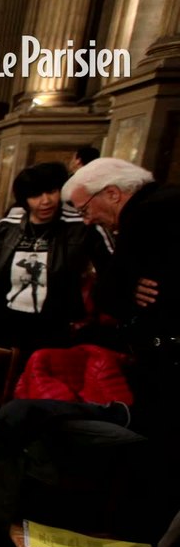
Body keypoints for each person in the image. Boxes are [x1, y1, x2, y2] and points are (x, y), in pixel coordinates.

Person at [63, 157, 180, 440]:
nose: (87, 220)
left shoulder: (146, 214)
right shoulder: (170, 198)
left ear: (113, 193)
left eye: (85, 209)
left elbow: (108, 293)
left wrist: (124, 287)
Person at [0, 162, 110, 354]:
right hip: (4, 326)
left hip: (56, 329)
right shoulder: (6, 228)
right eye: (36, 195)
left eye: (51, 192)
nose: (46, 201)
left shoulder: (82, 227)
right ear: (25, 199)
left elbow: (114, 270)